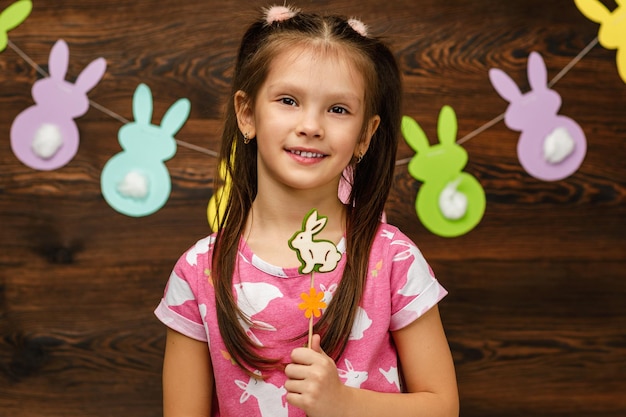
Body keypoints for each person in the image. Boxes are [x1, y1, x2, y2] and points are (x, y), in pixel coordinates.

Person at [155, 5, 459, 417]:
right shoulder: (198, 272)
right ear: (247, 114)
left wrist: (344, 403)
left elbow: (443, 408)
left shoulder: (392, 259)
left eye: (338, 109)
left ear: (365, 136)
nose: (311, 125)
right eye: (288, 100)